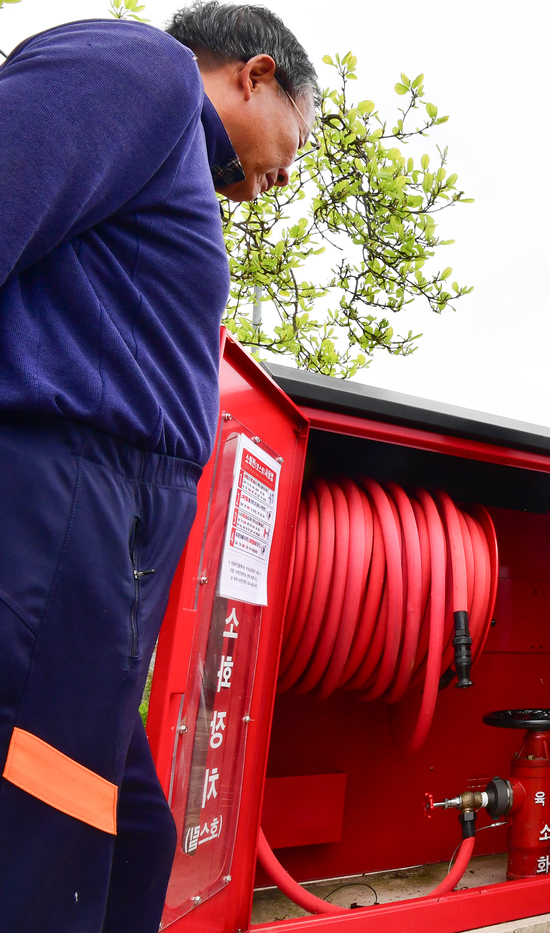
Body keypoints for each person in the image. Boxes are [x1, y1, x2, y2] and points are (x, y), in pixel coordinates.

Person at [0, 4, 316, 931]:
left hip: (105, 543)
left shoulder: (166, 138)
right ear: (255, 74)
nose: (274, 182)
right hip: (62, 501)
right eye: (289, 147)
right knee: (41, 824)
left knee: (132, 837)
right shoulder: (141, 69)